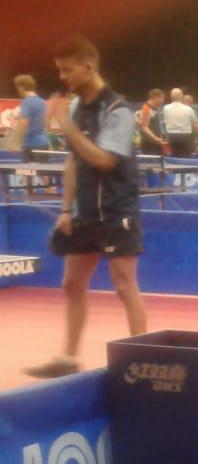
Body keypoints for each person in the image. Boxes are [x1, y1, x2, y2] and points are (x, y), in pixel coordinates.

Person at [23, 37, 147, 380]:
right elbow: (74, 160)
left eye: (68, 70)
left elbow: (104, 160)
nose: (63, 77)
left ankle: (143, 358)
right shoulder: (77, 107)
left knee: (125, 286)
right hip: (85, 213)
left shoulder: (118, 110)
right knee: (72, 283)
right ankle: (68, 358)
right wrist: (66, 209)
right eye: (60, 70)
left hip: (117, 210)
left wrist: (65, 124)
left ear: (89, 66)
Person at [14, 75, 52, 160]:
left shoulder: (27, 102)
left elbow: (23, 124)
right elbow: (47, 124)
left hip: (30, 145)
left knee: (28, 169)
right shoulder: (42, 102)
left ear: (21, 87)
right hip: (44, 144)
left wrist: (14, 142)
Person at [161, 87, 197, 157]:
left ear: (171, 97)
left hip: (171, 136)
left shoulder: (165, 108)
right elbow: (195, 125)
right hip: (185, 136)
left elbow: (164, 123)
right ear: (181, 96)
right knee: (186, 157)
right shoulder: (188, 109)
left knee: (174, 155)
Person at [136, 87, 166, 156]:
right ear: (156, 97)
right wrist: (156, 138)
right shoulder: (146, 108)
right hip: (149, 144)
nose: (162, 101)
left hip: (155, 143)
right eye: (162, 98)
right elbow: (144, 126)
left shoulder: (155, 108)